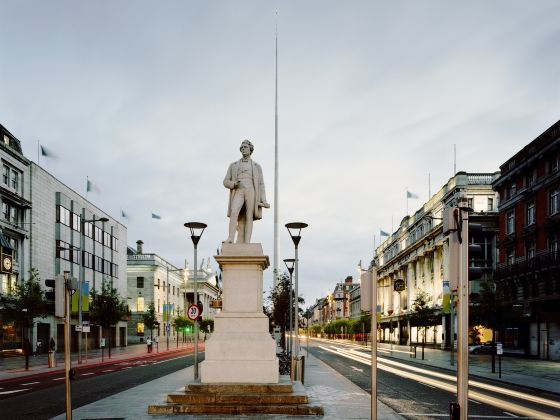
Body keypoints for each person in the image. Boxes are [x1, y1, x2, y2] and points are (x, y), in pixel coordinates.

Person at [223, 140, 269, 243]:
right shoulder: (233, 165)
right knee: (234, 212)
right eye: (241, 147)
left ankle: (247, 242)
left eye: (245, 147)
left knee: (249, 215)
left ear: (250, 149)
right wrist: (234, 184)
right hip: (238, 189)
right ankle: (230, 238)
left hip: (251, 190)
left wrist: (264, 200)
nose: (243, 149)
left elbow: (261, 184)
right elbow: (225, 181)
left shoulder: (257, 167)